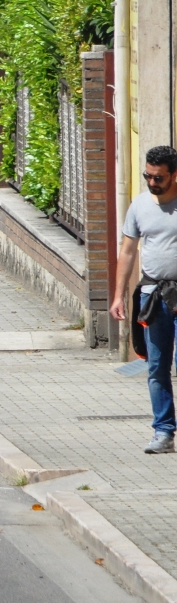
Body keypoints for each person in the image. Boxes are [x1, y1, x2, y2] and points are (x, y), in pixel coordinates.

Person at [111, 145, 177, 454]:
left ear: (174, 175)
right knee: (157, 367)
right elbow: (127, 252)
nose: (152, 183)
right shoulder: (139, 205)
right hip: (154, 296)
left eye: (158, 177)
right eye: (148, 176)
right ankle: (163, 431)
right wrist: (118, 296)